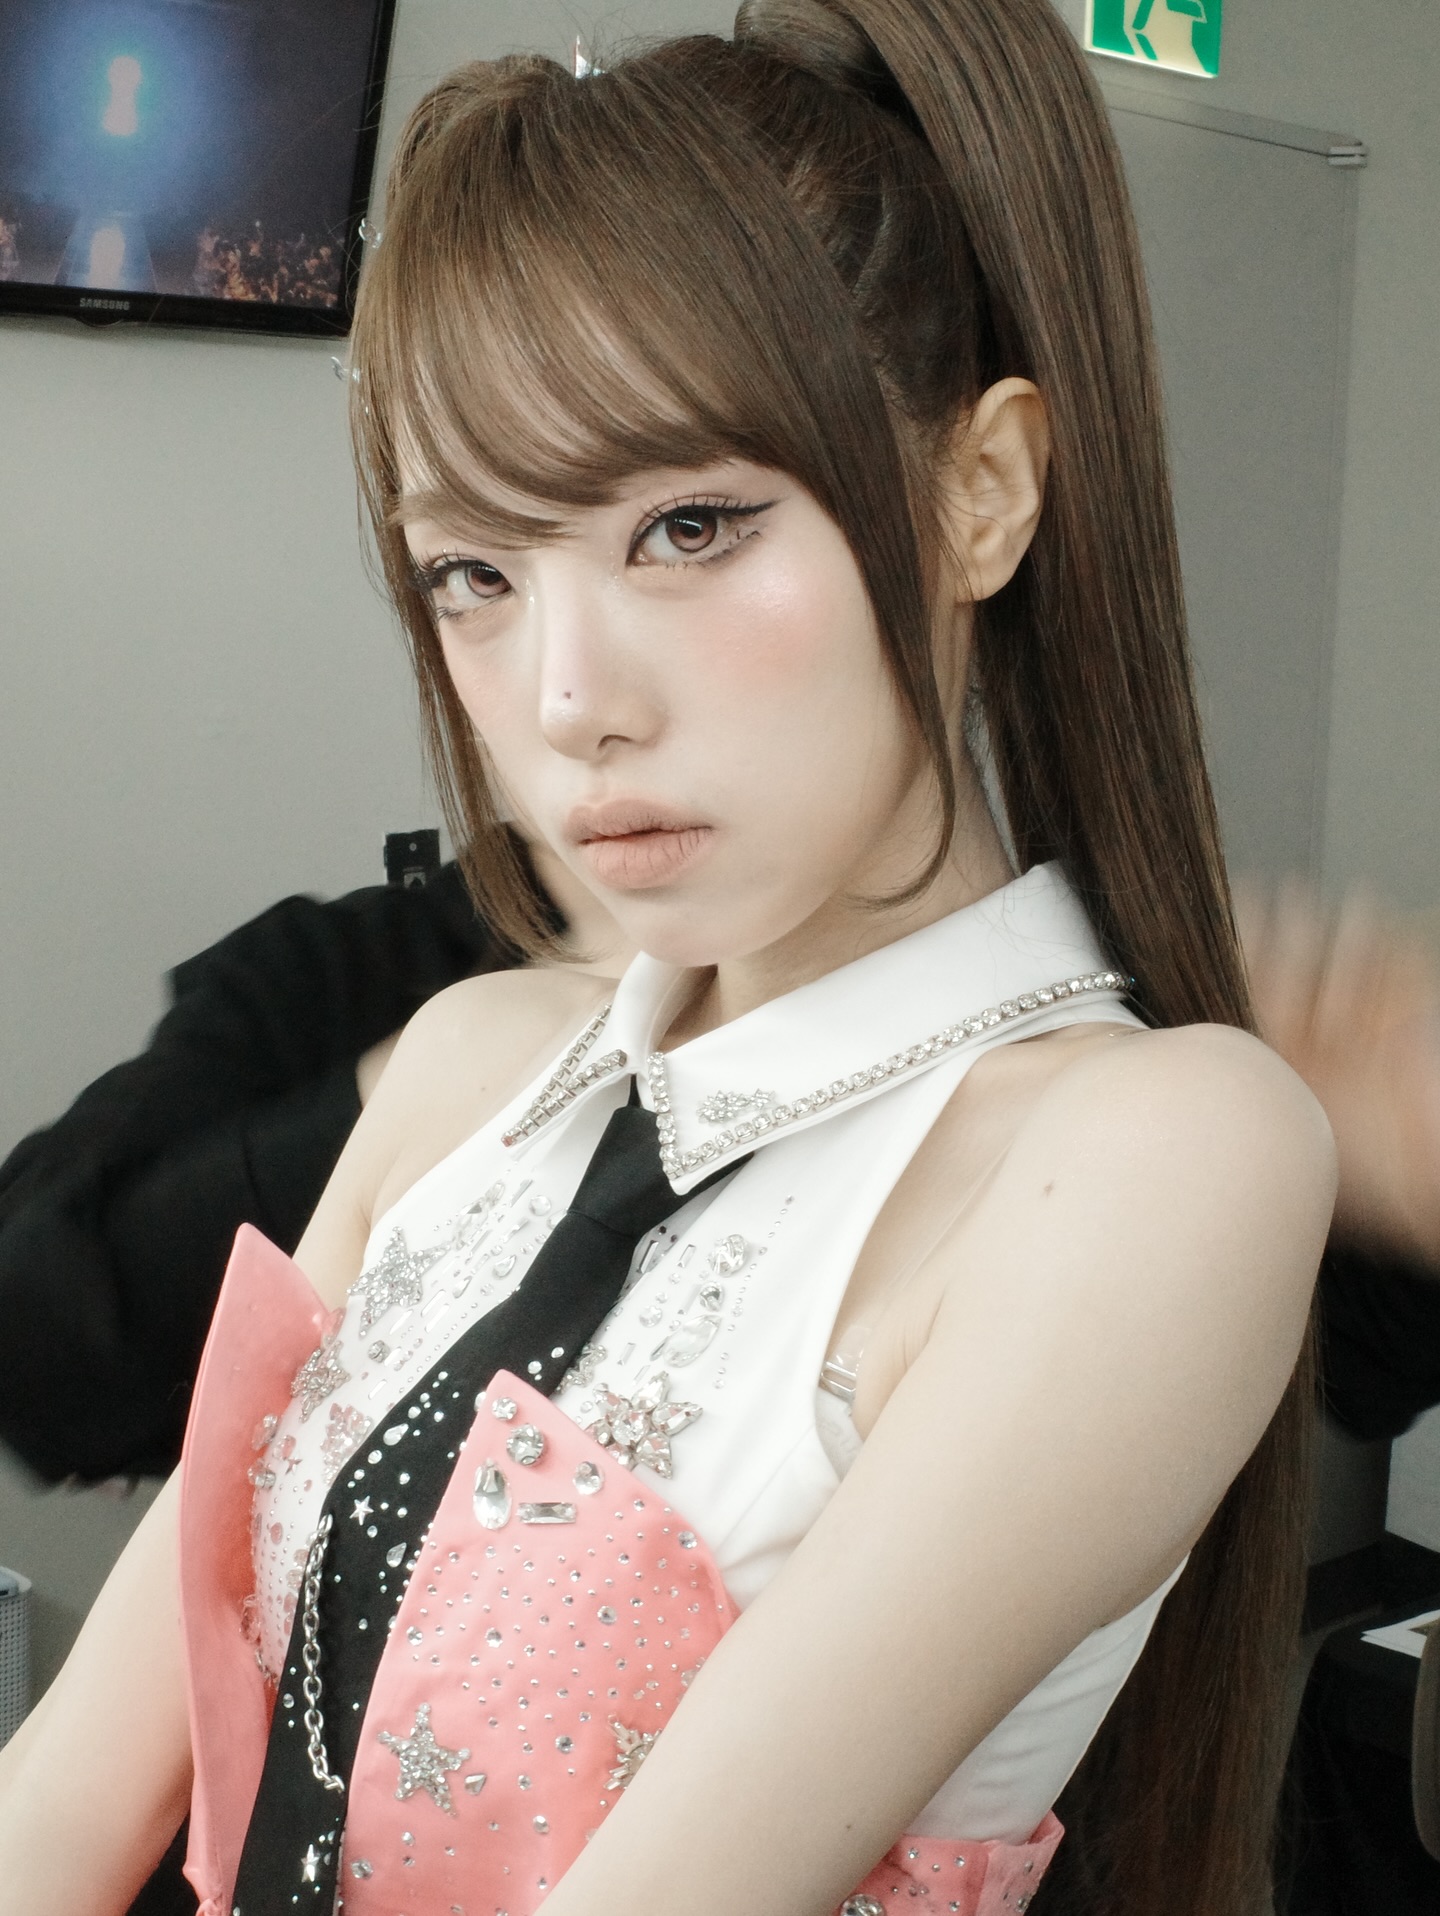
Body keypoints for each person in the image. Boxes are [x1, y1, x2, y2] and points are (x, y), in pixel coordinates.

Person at [0, 4, 1335, 1914]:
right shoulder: (471, 1067)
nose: (569, 702)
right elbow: (62, 1803)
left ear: (983, 490)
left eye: (690, 528)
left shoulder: (1152, 1154)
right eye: (476, 573)